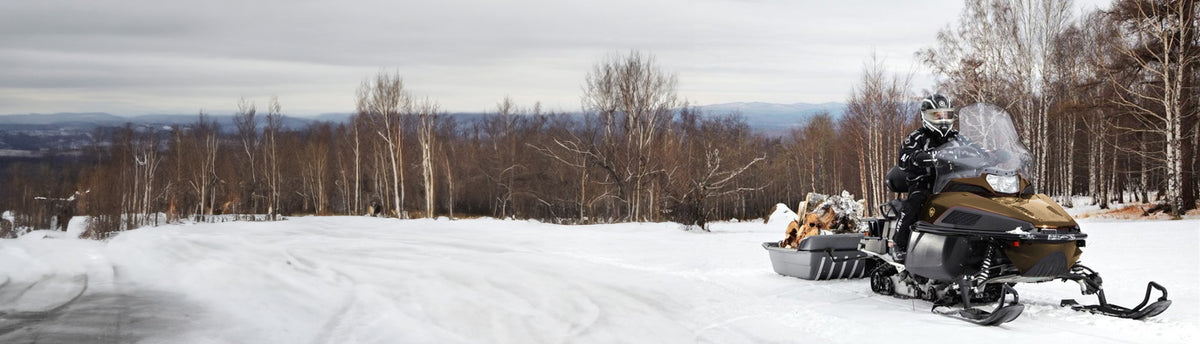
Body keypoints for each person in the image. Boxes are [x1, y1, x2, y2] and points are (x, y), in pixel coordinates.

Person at [892, 94, 958, 263]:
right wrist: (918, 157)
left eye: (946, 115)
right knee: (916, 203)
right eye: (937, 115)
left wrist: (993, 155)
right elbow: (903, 157)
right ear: (926, 116)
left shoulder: (956, 138)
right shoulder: (917, 137)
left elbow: (975, 150)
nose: (942, 120)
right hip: (925, 183)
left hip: (954, 183)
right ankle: (899, 244)